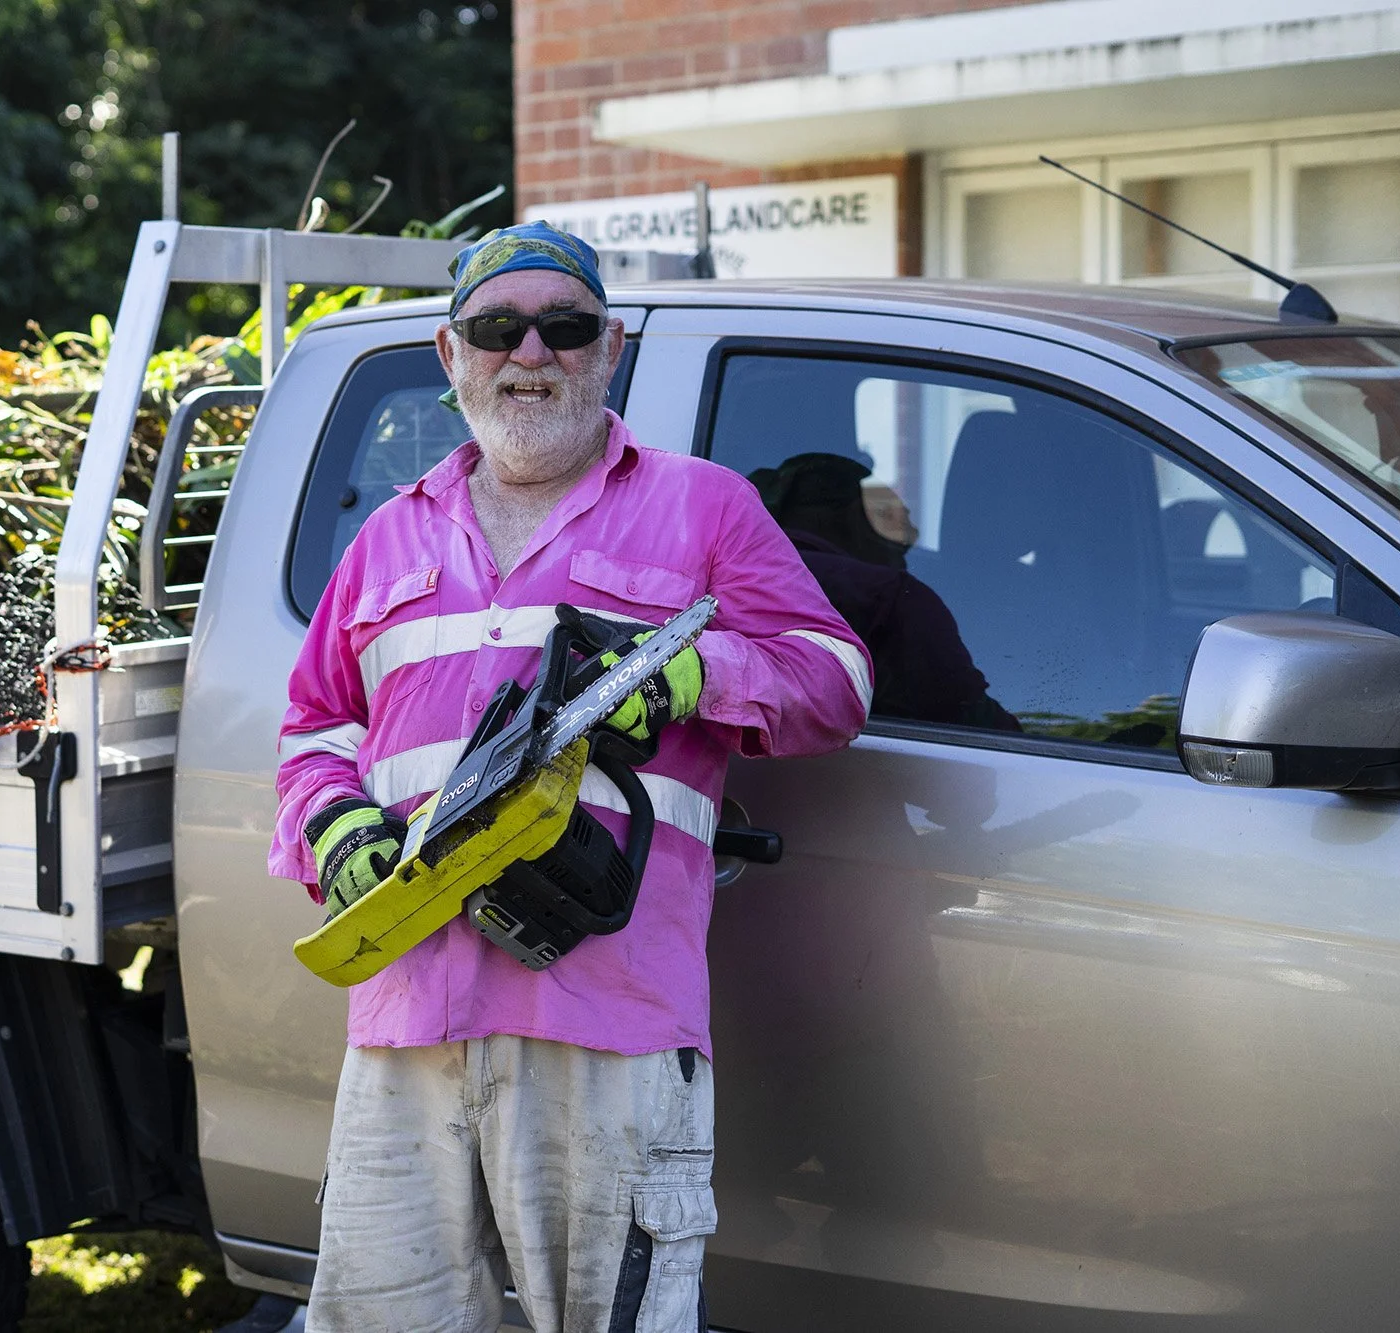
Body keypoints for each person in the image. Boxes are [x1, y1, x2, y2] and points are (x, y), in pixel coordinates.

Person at [268, 221, 870, 1333]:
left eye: (565, 327)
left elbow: (832, 679)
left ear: (610, 348)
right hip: (405, 1016)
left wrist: (695, 674)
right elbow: (313, 727)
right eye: (498, 328)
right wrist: (336, 826)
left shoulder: (702, 508)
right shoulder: (387, 542)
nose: (530, 353)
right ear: (452, 359)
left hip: (608, 1019)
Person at [749, 451, 1019, 732]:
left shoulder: (723, 580)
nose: (909, 542)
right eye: (898, 524)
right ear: (858, 515)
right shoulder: (892, 599)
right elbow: (979, 724)